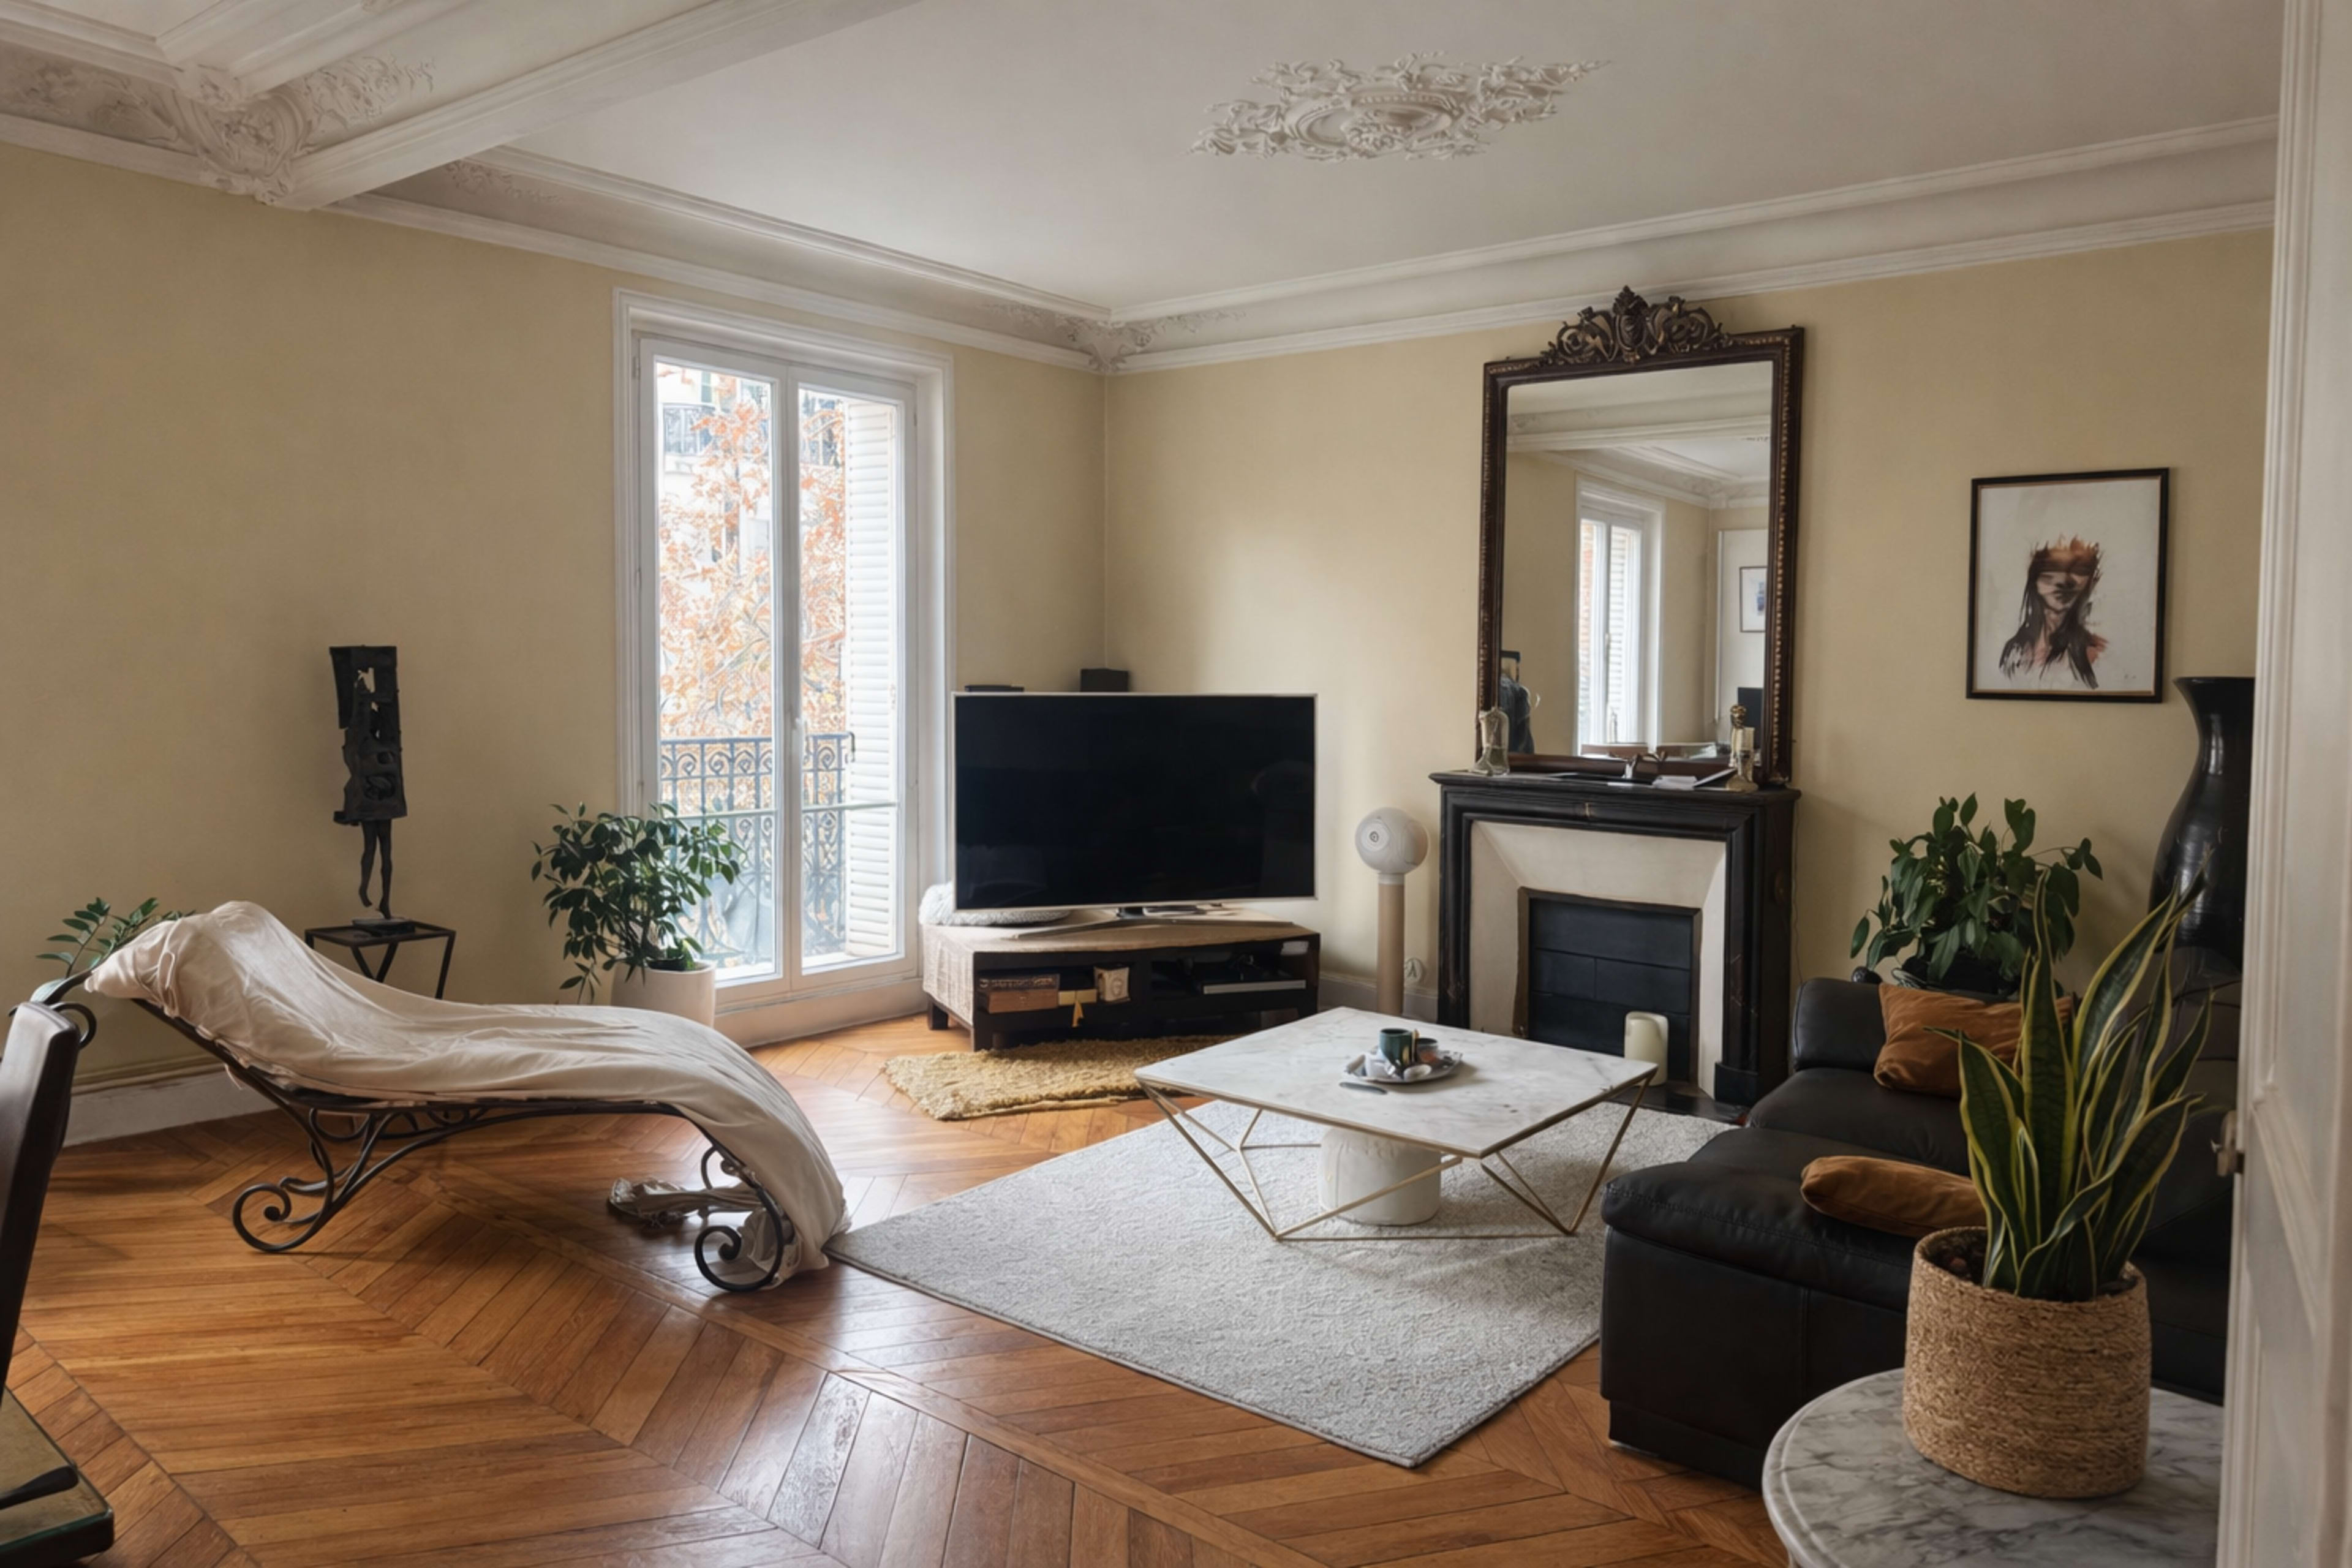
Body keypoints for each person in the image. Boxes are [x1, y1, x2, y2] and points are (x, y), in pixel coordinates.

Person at [1997, 537, 2106, 688]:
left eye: (2079, 569)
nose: (2064, 581)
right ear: (2035, 579)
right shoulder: (2014, 651)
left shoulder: (2094, 652)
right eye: (2051, 569)